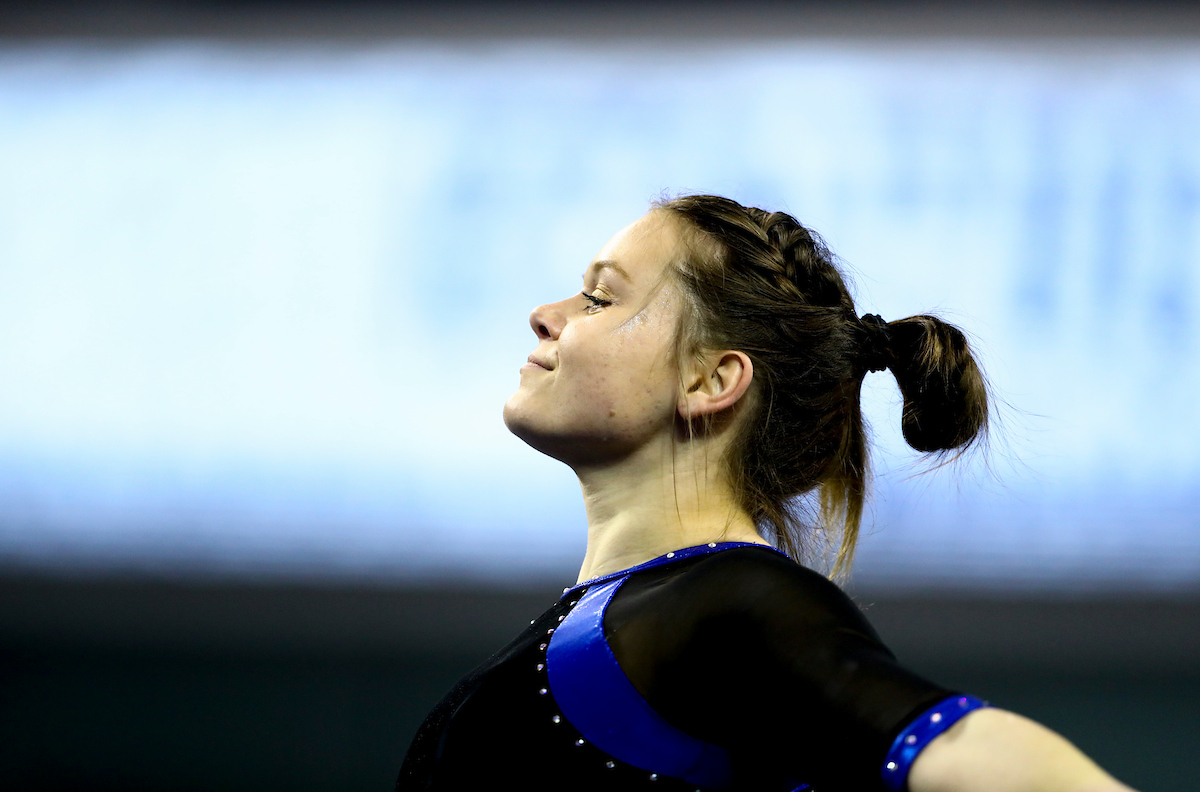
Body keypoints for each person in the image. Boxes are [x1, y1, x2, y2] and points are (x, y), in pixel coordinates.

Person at [396, 195, 1134, 792]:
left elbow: (963, 746)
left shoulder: (729, 602)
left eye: (598, 298)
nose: (547, 314)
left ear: (711, 380)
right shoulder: (643, 612)